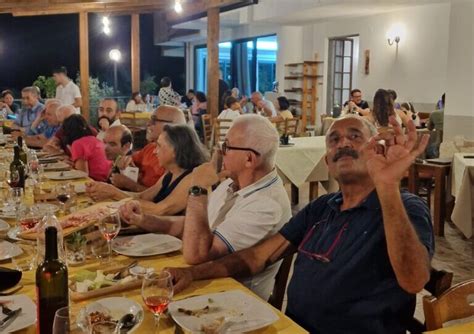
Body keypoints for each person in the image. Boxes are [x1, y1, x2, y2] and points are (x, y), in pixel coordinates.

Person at [162, 115, 433, 333]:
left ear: (377, 150)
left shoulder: (405, 207)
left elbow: (414, 280)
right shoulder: (321, 207)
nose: (342, 144)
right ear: (327, 162)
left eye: (354, 136)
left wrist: (387, 186)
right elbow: (260, 256)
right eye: (334, 140)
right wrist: (193, 274)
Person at [119, 115, 292, 300]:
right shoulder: (233, 183)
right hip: (206, 284)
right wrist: (143, 220)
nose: (218, 153)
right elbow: (192, 228)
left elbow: (197, 255)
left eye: (226, 147)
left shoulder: (266, 205)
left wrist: (197, 189)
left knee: (140, 300)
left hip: (234, 300)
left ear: (249, 159)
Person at [89, 124, 208, 216]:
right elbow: (142, 196)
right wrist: (108, 190)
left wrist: (114, 193)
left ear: (175, 151)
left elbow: (160, 210)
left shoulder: (193, 178)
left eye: (159, 146)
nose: (155, 151)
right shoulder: (171, 173)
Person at [107, 106, 187, 192]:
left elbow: (162, 198)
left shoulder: (178, 161)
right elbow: (128, 160)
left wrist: (130, 184)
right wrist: (122, 161)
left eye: (154, 120)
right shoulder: (150, 147)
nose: (148, 123)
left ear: (174, 125)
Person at [62, 114, 112, 182]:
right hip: (107, 180)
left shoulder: (78, 144)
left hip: (96, 183)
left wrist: (68, 168)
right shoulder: (95, 139)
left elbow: (82, 175)